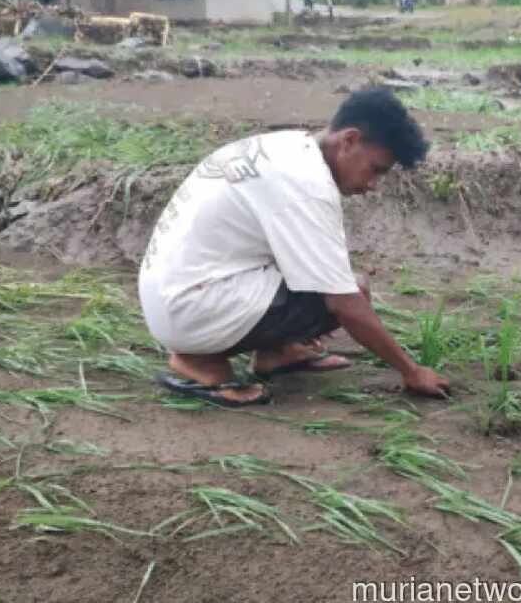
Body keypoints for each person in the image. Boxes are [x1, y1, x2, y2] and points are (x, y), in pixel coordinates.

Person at [138, 89, 451, 407]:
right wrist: (411, 371)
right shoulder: (307, 185)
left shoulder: (287, 148)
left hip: (175, 291)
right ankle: (199, 362)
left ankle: (278, 353)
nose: (373, 185)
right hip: (190, 307)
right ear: (349, 141)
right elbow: (345, 303)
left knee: (329, 281)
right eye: (376, 169)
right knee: (353, 290)